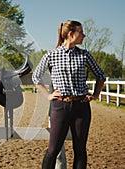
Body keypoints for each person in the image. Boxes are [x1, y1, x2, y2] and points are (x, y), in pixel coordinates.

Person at [32, 20, 106, 169]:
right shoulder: (51, 56)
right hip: (60, 106)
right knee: (53, 150)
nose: (84, 36)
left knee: (80, 150)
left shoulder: (84, 55)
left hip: (82, 107)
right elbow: (36, 77)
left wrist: (96, 95)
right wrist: (48, 95)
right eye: (81, 32)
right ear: (71, 34)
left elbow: (100, 75)